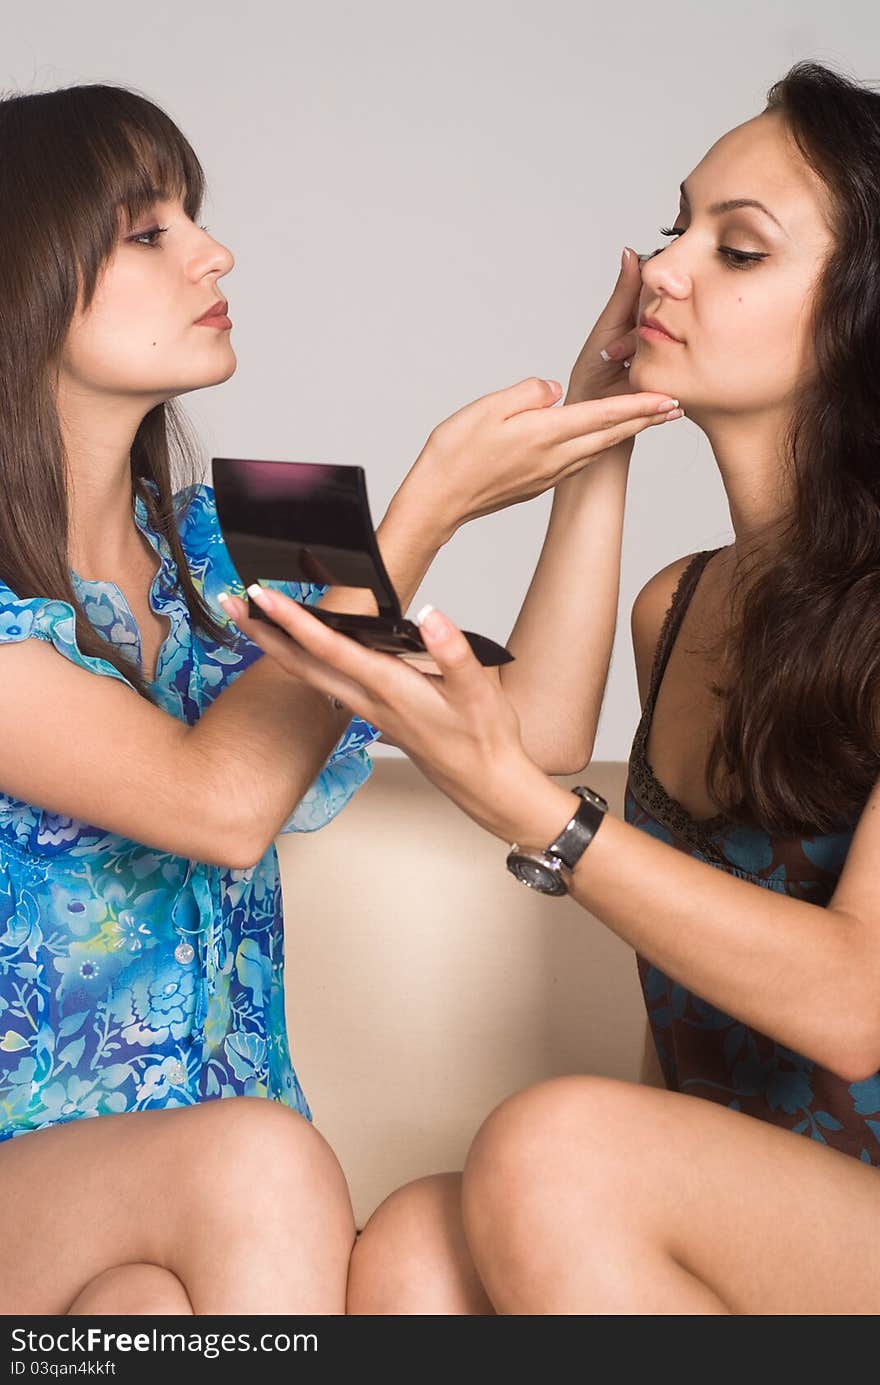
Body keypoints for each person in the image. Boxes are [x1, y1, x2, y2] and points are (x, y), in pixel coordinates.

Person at [0, 81, 679, 1314]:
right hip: (47, 1192)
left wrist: (596, 445)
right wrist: (429, 504)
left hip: (190, 1235)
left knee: (155, 1313)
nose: (214, 251)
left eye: (190, 218)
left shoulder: (237, 541)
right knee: (255, 1156)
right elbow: (216, 804)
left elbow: (530, 736)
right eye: (147, 232)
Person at [229, 59, 880, 1315]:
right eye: (672, 226)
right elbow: (553, 747)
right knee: (419, 1242)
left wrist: (539, 816)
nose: (667, 270)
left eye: (736, 251)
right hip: (757, 1193)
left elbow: (854, 1005)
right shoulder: (677, 606)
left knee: (554, 1147)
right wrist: (601, 434)